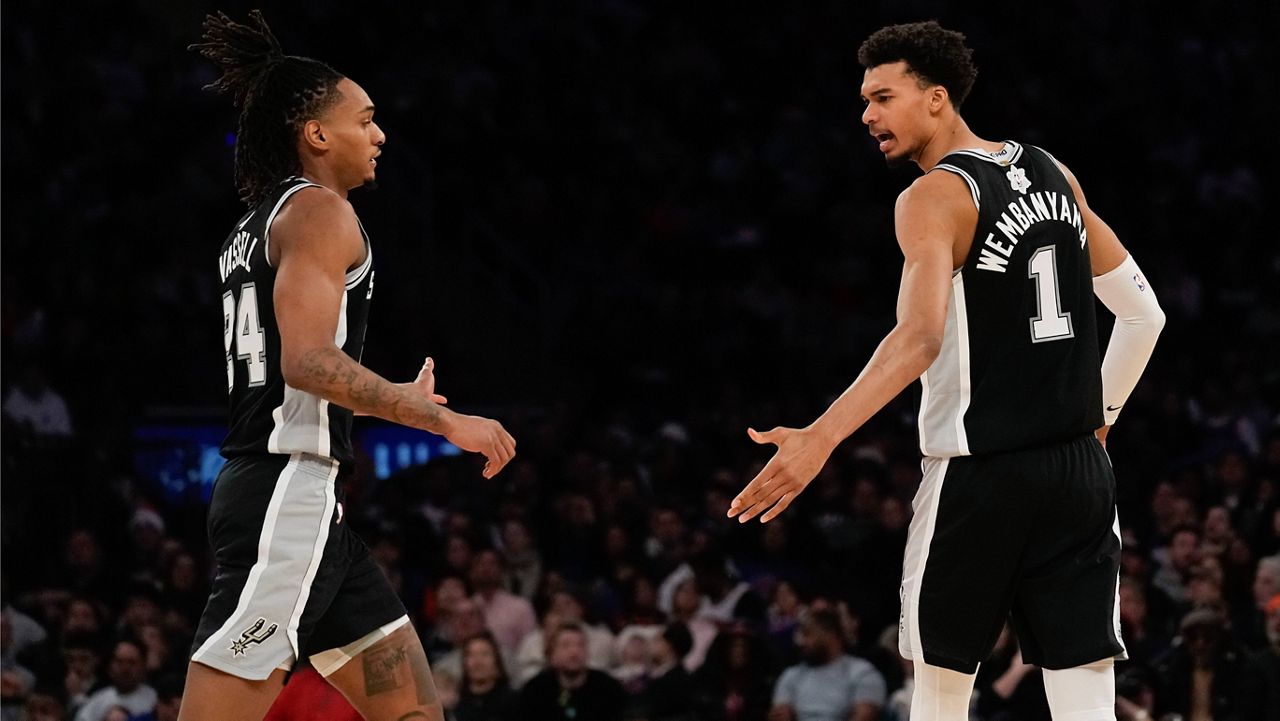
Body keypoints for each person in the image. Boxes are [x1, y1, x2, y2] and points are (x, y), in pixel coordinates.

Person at [728, 20, 1165, 720]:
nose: (866, 113)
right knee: (1086, 698)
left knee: (938, 690)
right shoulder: (1054, 171)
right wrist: (1101, 420)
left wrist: (819, 436)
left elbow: (919, 336)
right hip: (1080, 474)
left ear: (936, 99)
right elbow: (1145, 316)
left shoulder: (933, 196)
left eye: (882, 96)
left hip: (980, 474)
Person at [183, 11, 515, 721]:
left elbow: (288, 374)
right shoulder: (320, 212)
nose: (380, 134)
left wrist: (390, 395)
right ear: (316, 132)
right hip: (286, 495)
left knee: (416, 712)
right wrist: (436, 415)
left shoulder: (253, 226)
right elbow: (306, 362)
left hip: (300, 503)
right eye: (365, 119)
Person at [768, 609, 885, 721]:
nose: (801, 642)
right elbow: (780, 713)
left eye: (807, 634)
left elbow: (865, 716)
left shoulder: (862, 673)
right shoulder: (791, 675)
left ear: (831, 635)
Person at [519, 624, 624, 721]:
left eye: (580, 645)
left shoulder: (608, 688)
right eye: (565, 645)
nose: (574, 652)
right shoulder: (535, 691)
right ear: (552, 654)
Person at [74, 641, 156, 721]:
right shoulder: (97, 700)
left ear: (143, 667)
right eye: (119, 662)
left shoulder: (154, 700)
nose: (125, 669)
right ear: (110, 667)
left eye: (131, 663)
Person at [453, 633, 517, 721]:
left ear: (497, 661)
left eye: (484, 654)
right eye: (471, 655)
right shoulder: (454, 702)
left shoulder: (513, 702)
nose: (477, 662)